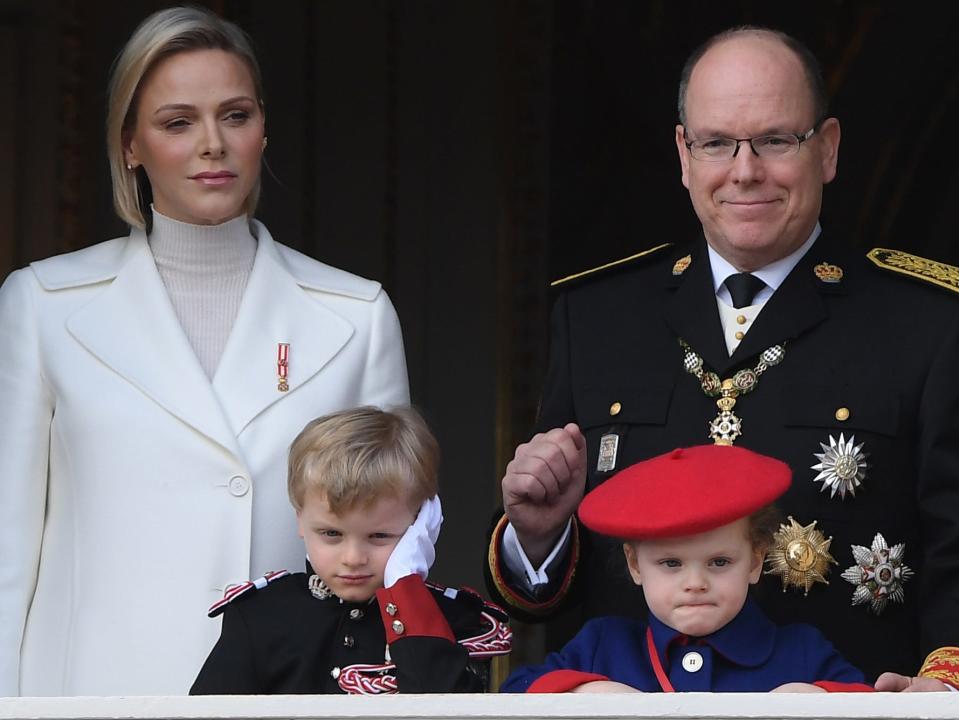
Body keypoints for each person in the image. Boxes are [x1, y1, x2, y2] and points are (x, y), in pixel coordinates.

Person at [485, 26, 959, 691]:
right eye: (716, 143)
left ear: (826, 149)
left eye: (774, 140)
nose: (745, 170)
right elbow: (541, 597)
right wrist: (538, 536)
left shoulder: (928, 322)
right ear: (684, 153)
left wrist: (945, 683)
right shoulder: (597, 317)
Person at [0, 7, 409, 697]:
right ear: (130, 143)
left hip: (289, 696)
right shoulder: (44, 304)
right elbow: (9, 551)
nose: (212, 144)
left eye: (235, 115)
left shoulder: (356, 316)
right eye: (177, 122)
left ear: (263, 130)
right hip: (95, 694)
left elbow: (396, 548)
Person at [190, 406, 511, 694]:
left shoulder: (452, 620)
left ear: (422, 525)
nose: (353, 558)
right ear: (300, 519)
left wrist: (405, 591)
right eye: (331, 533)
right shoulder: (261, 615)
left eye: (379, 536)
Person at [502, 445, 872, 693]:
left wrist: (817, 698)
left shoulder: (802, 651)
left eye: (719, 562)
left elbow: (875, 708)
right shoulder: (603, 645)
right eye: (671, 563)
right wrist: (581, 690)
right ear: (635, 565)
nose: (695, 583)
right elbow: (512, 694)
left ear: (756, 560)